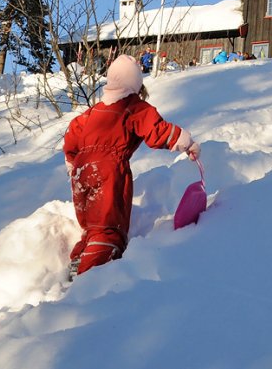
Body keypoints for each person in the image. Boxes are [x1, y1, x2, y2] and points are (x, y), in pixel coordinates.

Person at [63, 54, 200, 278]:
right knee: (109, 227)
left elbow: (71, 136)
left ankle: (79, 259)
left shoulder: (91, 112)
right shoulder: (132, 107)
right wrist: (187, 143)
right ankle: (90, 274)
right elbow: (157, 130)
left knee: (93, 226)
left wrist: (73, 164)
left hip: (81, 171)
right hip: (108, 168)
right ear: (134, 84)